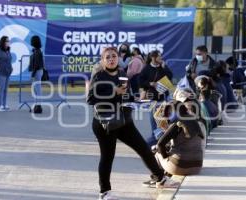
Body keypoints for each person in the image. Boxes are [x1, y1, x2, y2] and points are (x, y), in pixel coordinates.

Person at [87, 47, 179, 200]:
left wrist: (140, 102)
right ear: (103, 60)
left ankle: (160, 179)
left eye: (114, 56)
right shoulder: (99, 75)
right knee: (107, 157)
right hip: (106, 123)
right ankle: (105, 192)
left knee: (143, 148)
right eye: (107, 57)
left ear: (118, 58)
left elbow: (127, 97)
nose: (111, 59)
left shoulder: (123, 73)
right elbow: (91, 99)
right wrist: (114, 92)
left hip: (124, 120)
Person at [155, 98, 206, 176]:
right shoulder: (194, 120)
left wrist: (165, 157)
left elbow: (160, 144)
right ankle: (167, 173)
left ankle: (159, 179)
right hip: (197, 167)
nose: (168, 115)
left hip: (180, 167)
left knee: (157, 153)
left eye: (169, 112)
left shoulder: (177, 123)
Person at [139, 50, 173, 147]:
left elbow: (170, 76)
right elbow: (140, 81)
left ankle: (162, 137)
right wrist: (149, 84)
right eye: (159, 57)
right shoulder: (147, 68)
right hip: (152, 98)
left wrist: (164, 67)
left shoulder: (162, 67)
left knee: (163, 119)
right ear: (153, 58)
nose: (161, 58)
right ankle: (155, 137)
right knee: (153, 118)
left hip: (163, 96)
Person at [0, 36, 13, 112]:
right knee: (1, 89)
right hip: (1, 72)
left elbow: (9, 60)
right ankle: (0, 105)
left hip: (8, 72)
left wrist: (11, 68)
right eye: (7, 41)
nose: (8, 42)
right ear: (3, 42)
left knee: (5, 89)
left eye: (9, 41)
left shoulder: (8, 50)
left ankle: (4, 104)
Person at [29, 35, 44, 112]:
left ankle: (38, 105)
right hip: (37, 71)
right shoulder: (36, 50)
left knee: (37, 89)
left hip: (37, 71)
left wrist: (33, 74)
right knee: (36, 89)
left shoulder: (37, 51)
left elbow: (36, 64)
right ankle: (36, 104)